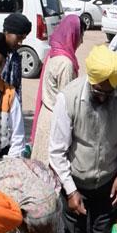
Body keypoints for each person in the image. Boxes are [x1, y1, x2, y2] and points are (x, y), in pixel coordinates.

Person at [49, 45, 117, 233]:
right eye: (99, 91)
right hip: (75, 184)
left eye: (109, 92)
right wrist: (70, 191)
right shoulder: (68, 98)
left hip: (108, 186)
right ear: (91, 80)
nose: (104, 96)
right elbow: (57, 152)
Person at [31, 15, 84, 164]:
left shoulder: (54, 53)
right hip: (55, 123)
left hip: (45, 116)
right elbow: (67, 103)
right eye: (81, 35)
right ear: (73, 34)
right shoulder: (66, 63)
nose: (81, 41)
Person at [1, 13, 32, 101]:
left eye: (23, 39)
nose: (20, 43)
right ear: (6, 32)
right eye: (18, 38)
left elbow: (17, 89)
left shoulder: (16, 57)